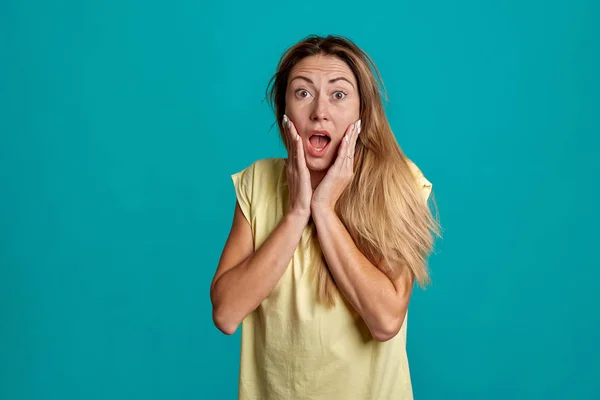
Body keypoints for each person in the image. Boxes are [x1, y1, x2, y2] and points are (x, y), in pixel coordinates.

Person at [209, 34, 441, 400]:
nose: (319, 111)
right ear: (283, 110)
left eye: (338, 94)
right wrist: (298, 212)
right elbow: (226, 313)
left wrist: (324, 210)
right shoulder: (257, 183)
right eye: (303, 93)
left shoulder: (399, 182)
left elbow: (385, 321)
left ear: (362, 111)